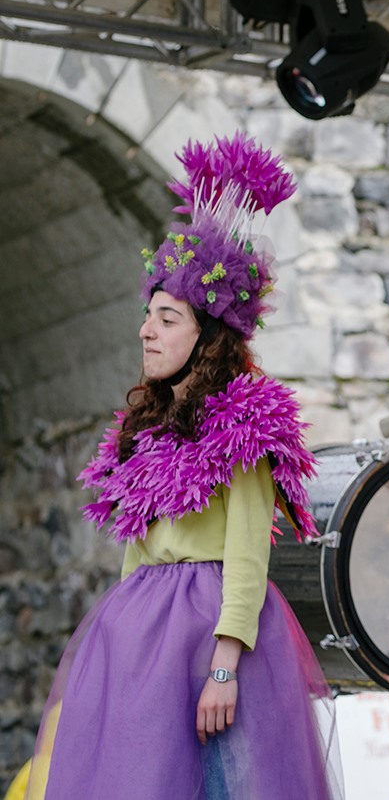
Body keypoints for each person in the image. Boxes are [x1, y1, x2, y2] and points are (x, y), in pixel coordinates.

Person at [24, 134, 340, 799]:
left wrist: (224, 665)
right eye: (148, 316)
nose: (147, 331)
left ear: (208, 335)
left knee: (218, 782)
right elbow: (134, 552)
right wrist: (120, 652)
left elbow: (249, 549)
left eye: (167, 319)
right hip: (143, 632)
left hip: (210, 630)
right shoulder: (142, 424)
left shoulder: (244, 420)